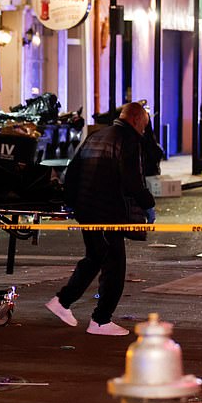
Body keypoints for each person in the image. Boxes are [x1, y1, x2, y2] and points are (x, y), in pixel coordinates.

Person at [46, 102, 155, 336]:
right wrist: (148, 206)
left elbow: (73, 170)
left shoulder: (97, 135)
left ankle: (63, 301)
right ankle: (101, 320)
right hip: (107, 210)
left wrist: (72, 202)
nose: (144, 131)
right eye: (144, 126)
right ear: (136, 121)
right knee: (115, 265)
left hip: (87, 208)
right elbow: (132, 179)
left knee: (96, 257)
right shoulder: (129, 140)